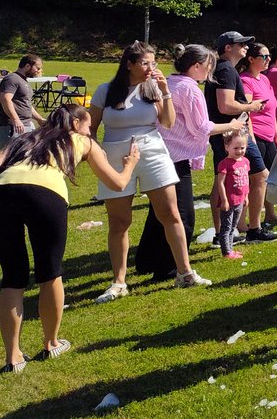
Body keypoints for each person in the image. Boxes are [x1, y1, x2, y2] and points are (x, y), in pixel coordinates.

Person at [0, 105, 140, 372]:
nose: (90, 130)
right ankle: (51, 343)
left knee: (12, 278)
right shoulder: (82, 140)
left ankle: (12, 358)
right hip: (46, 194)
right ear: (76, 123)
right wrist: (130, 163)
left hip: (3, 192)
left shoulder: (23, 138)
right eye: (88, 125)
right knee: (50, 272)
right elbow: (118, 184)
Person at [90, 41, 213, 301]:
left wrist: (165, 92)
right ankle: (118, 281)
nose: (150, 68)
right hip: (115, 154)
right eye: (145, 63)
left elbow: (167, 122)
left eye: (153, 62)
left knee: (171, 213)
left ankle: (185, 272)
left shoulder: (153, 89)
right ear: (129, 64)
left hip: (153, 150)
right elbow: (90, 128)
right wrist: (96, 154)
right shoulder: (106, 91)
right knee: (119, 221)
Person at [137, 45, 243, 280]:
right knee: (182, 217)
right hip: (175, 158)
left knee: (158, 212)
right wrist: (232, 126)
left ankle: (145, 260)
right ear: (196, 66)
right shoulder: (190, 89)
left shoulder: (170, 82)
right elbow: (202, 128)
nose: (209, 72)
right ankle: (167, 268)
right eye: (208, 67)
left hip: (157, 153)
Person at [206, 31, 277, 245]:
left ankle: (224, 233)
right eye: (241, 44)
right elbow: (225, 105)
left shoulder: (223, 69)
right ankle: (250, 230)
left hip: (230, 133)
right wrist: (252, 106)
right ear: (228, 47)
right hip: (231, 134)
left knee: (224, 180)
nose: (246, 47)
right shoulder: (226, 70)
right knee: (260, 176)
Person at [238, 43, 277, 229]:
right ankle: (242, 221)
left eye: (269, 57)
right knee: (252, 180)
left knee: (269, 178)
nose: (268, 60)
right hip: (255, 135)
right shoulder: (245, 80)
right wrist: (251, 139)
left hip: (269, 135)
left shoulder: (264, 79)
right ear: (251, 59)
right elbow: (245, 112)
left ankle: (269, 213)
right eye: (264, 57)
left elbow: (271, 109)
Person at [214, 129, 250, 259]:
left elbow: (246, 181)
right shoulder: (224, 164)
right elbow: (221, 183)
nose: (239, 151)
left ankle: (230, 249)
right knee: (226, 227)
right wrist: (224, 200)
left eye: (242, 148)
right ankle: (226, 252)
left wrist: (246, 196)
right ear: (227, 147)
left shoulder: (245, 162)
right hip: (229, 201)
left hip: (240, 200)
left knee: (233, 226)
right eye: (236, 148)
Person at [0, 54, 41, 148]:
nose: (38, 71)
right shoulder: (12, 79)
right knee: (10, 159)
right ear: (27, 66)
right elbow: (5, 99)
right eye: (37, 68)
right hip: (12, 127)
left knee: (23, 159)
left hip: (25, 125)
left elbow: (26, 104)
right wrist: (16, 120)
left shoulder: (23, 81)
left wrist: (39, 119)